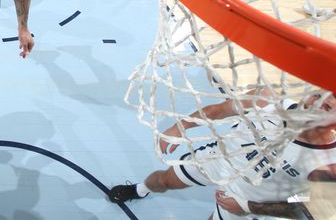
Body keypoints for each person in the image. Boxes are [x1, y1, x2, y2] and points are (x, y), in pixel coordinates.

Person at [107, 90, 336, 220]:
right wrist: (181, 126)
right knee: (161, 180)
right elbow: (218, 110)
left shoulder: (330, 163)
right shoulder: (268, 101)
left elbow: (310, 206)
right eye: (317, 95)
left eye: (327, 107)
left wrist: (248, 206)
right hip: (218, 160)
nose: (318, 103)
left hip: (250, 197)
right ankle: (140, 190)